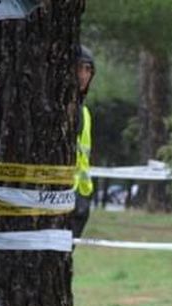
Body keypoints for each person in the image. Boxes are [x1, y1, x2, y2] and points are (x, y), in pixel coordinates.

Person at [70, 46, 95, 239]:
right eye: (80, 68)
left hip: (80, 198)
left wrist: (84, 198)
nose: (84, 75)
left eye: (89, 70)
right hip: (60, 196)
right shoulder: (60, 109)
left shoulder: (84, 112)